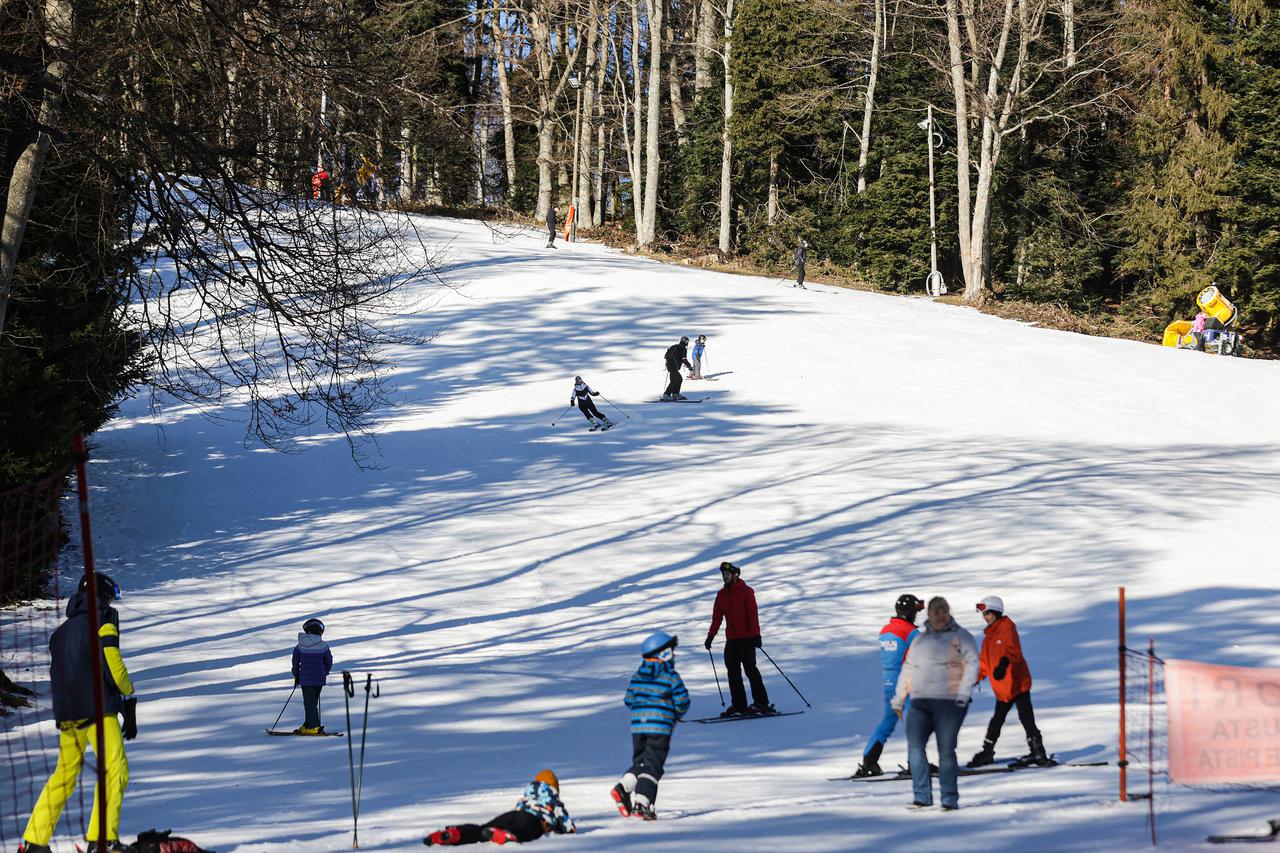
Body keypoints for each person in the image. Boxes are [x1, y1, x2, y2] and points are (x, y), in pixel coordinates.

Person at [20, 573, 134, 853]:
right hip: (97, 712)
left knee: (65, 774)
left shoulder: (61, 632)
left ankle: (34, 841)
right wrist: (128, 698)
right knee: (115, 770)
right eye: (110, 596)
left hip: (69, 713)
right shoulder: (104, 620)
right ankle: (103, 839)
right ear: (104, 596)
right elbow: (113, 663)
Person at [891, 596, 979, 811]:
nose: (941, 616)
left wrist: (964, 693)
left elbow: (973, 664)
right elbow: (908, 669)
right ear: (928, 615)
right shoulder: (920, 641)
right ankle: (922, 796)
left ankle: (949, 799)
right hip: (920, 701)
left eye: (944, 611)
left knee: (946, 750)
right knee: (915, 748)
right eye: (936, 612)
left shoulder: (961, 636)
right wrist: (899, 699)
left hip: (950, 702)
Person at [612, 631, 689, 821]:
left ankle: (623, 787)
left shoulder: (638, 675)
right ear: (662, 654)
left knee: (640, 763)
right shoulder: (670, 675)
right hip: (660, 727)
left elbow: (629, 699)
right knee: (653, 765)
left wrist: (641, 712)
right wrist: (675, 715)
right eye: (671, 652)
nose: (674, 656)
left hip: (638, 728)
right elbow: (682, 700)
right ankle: (642, 804)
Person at [968, 595, 1048, 768]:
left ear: (996, 612)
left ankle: (1037, 750)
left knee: (1026, 717)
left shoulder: (1007, 628)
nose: (985, 617)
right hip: (1003, 688)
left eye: (987, 613)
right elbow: (984, 663)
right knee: (997, 719)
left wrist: (1003, 665)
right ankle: (987, 751)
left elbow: (1014, 652)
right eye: (984, 614)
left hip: (1017, 683)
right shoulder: (989, 635)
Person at [855, 594, 924, 777]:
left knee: (887, 723)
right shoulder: (912, 633)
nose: (916, 616)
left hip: (889, 685)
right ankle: (916, 764)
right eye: (916, 612)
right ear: (910, 612)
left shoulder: (886, 630)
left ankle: (869, 762)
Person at [424, 769, 576, 845]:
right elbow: (567, 825)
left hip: (513, 814)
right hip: (533, 821)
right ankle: (507, 835)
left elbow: (520, 810)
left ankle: (455, 833)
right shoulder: (554, 802)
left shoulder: (527, 797)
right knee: (524, 832)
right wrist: (567, 830)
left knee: (483, 830)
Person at [704, 561, 772, 717]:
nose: (724, 577)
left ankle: (762, 703)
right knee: (733, 673)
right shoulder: (721, 595)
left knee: (750, 670)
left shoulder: (747, 592)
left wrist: (756, 635)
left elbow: (752, 615)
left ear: (735, 575)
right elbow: (717, 618)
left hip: (747, 639)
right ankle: (739, 705)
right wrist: (710, 637)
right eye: (723, 575)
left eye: (727, 574)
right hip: (732, 641)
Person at [291, 618, 333, 734]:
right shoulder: (324, 646)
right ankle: (308, 724)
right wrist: (325, 671)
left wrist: (296, 675)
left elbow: (295, 662)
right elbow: (329, 661)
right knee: (312, 703)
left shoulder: (300, 646)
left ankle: (313, 726)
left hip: (305, 679)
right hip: (319, 678)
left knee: (309, 703)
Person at [662, 336, 692, 401]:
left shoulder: (674, 346)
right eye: (687, 342)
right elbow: (684, 359)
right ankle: (666, 395)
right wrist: (689, 367)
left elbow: (666, 356)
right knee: (674, 380)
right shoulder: (683, 349)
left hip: (670, 366)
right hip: (674, 367)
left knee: (679, 379)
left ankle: (675, 393)